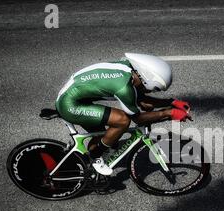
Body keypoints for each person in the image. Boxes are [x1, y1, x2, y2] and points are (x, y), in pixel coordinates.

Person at [55, 53, 191, 176]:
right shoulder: (124, 88)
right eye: (154, 89)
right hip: (70, 105)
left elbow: (141, 100)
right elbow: (138, 119)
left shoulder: (128, 69)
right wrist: (170, 113)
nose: (151, 92)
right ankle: (94, 157)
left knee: (107, 135)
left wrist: (172, 102)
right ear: (145, 78)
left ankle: (89, 165)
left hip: (77, 98)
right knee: (122, 120)